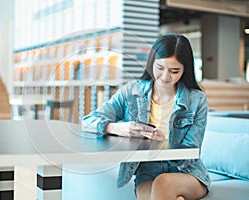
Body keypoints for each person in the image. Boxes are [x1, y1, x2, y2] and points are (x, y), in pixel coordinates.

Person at [81, 33, 211, 200]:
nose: (165, 76)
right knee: (166, 191)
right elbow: (88, 121)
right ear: (151, 63)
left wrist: (165, 144)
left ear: (185, 69)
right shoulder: (132, 91)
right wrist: (118, 128)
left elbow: (192, 151)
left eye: (174, 71)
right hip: (147, 171)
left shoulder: (197, 100)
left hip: (188, 173)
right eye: (160, 68)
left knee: (163, 183)